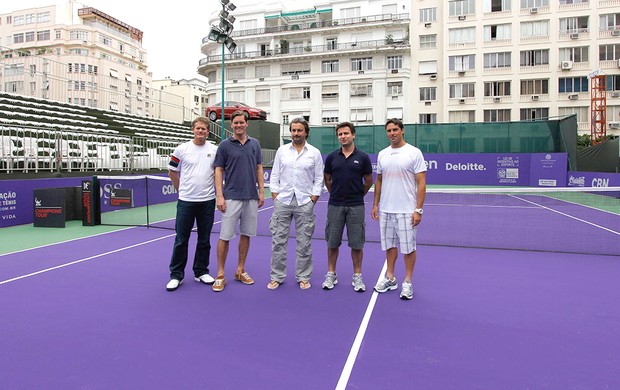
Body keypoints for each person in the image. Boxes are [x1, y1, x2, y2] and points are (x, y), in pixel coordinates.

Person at [371, 118, 427, 300]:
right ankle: (390, 278)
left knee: (408, 248)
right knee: (389, 246)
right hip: (386, 209)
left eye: (395, 129)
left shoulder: (414, 152)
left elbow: (422, 183)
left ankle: (408, 282)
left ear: (402, 131)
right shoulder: (382, 154)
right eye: (389, 130)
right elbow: (379, 180)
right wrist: (375, 204)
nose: (392, 133)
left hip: (407, 210)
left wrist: (418, 209)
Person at [267, 118, 324, 290]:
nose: (296, 133)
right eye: (293, 130)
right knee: (278, 241)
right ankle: (277, 276)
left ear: (306, 132)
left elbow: (319, 178)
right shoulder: (282, 151)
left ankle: (303, 276)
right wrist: (275, 196)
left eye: (300, 130)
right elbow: (275, 174)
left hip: (304, 202)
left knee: (304, 242)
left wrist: (313, 198)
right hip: (282, 201)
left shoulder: (314, 153)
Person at [212, 110, 265, 292]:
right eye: (235, 123)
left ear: (246, 123)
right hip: (231, 197)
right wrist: (220, 195)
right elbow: (218, 170)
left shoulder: (255, 144)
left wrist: (261, 192)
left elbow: (259, 168)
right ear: (231, 124)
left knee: (246, 235)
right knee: (225, 236)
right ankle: (220, 274)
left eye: (241, 122)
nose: (239, 125)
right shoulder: (224, 145)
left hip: (251, 197)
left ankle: (240, 270)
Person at [166, 117, 218, 291]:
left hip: (207, 201)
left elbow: (219, 173)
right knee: (181, 240)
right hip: (186, 202)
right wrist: (181, 190)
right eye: (198, 128)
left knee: (204, 239)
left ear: (208, 131)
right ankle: (176, 275)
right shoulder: (182, 149)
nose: (201, 131)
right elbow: (172, 171)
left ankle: (201, 271)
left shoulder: (215, 150)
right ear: (193, 130)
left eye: (204, 129)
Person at [322, 122, 373, 292]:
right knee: (332, 242)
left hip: (356, 206)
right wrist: (335, 193)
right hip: (335, 205)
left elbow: (368, 181)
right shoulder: (331, 157)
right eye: (340, 134)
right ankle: (331, 274)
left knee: (357, 244)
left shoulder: (363, 158)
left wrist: (357, 194)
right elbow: (327, 179)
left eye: (346, 133)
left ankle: (357, 276)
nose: (343, 136)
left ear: (353, 135)